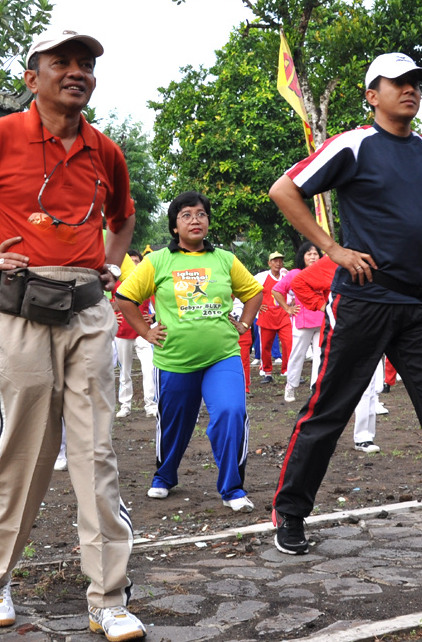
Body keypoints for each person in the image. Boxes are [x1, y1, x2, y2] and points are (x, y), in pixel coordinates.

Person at [0, 27, 145, 642]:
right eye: (61, 62)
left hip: (89, 308)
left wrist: (111, 264)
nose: (77, 72)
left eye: (86, 63)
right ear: (31, 76)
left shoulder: (105, 152)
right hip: (18, 308)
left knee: (97, 455)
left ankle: (109, 596)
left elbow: (124, 217)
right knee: (24, 450)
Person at [266, 51, 422, 566]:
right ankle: (291, 514)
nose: (411, 90)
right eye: (398, 83)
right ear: (373, 95)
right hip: (363, 301)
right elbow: (285, 189)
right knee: (329, 409)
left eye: (417, 83)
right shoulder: (354, 145)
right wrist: (333, 248)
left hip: (418, 306)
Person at [115, 192, 263, 510]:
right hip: (176, 360)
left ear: (208, 221)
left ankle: (233, 489)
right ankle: (164, 476)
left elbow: (253, 291)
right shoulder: (158, 261)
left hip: (222, 356)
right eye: (186, 215)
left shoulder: (224, 259)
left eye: (201, 214)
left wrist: (246, 323)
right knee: (174, 424)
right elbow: (124, 296)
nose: (195, 219)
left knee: (231, 412)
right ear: (174, 226)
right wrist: (145, 330)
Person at [288, 249, 383, 453]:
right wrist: (321, 306)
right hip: (338, 331)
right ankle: (314, 436)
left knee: (369, 384)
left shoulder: (383, 256)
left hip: (373, 328)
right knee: (328, 384)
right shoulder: (332, 260)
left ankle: (364, 437)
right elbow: (298, 283)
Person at [275, 241, 324, 403]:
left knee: (320, 356)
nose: (312, 257)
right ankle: (290, 386)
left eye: (315, 253)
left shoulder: (324, 271)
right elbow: (276, 291)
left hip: (322, 320)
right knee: (297, 355)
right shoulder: (294, 273)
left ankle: (315, 390)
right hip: (302, 321)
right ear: (302, 257)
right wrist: (288, 309)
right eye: (308, 254)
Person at [114, 247, 157, 419]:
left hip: (143, 333)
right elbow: (108, 302)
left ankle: (151, 405)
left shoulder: (147, 280)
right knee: (124, 371)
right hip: (122, 332)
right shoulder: (117, 283)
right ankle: (125, 405)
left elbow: (160, 302)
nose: (133, 264)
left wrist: (153, 319)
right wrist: (111, 316)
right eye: (130, 262)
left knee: (149, 369)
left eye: (136, 261)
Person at [254, 251, 292, 384]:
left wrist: (290, 305)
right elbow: (249, 289)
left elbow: (293, 291)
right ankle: (267, 372)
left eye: (280, 260)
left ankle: (287, 370)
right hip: (267, 315)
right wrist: (257, 306)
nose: (278, 263)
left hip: (283, 315)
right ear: (269, 263)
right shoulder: (261, 277)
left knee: (289, 343)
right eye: (275, 261)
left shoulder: (286, 276)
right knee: (265, 346)